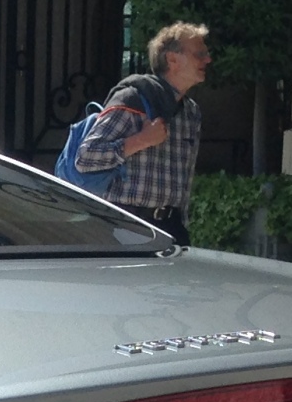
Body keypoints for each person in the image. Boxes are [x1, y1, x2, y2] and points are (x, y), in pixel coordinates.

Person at [69, 22, 211, 244]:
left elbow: (185, 180)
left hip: (171, 229)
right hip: (124, 225)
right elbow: (86, 158)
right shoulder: (132, 99)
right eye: (200, 54)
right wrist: (141, 140)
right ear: (172, 59)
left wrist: (182, 225)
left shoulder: (190, 112)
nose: (207, 60)